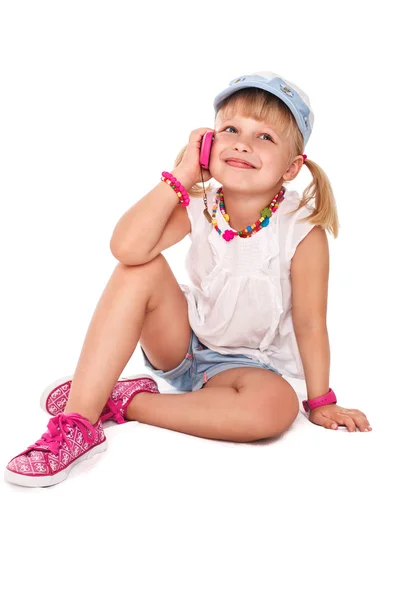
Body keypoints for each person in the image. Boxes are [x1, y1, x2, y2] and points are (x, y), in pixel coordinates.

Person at [5, 71, 372, 488]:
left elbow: (309, 322)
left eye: (264, 137)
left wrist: (321, 400)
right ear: (209, 144)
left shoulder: (301, 230)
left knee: (274, 411)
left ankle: (123, 400)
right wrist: (180, 177)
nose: (242, 143)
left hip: (249, 368)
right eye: (230, 129)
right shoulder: (200, 205)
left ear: (291, 169)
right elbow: (126, 248)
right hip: (182, 345)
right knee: (139, 267)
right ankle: (80, 423)